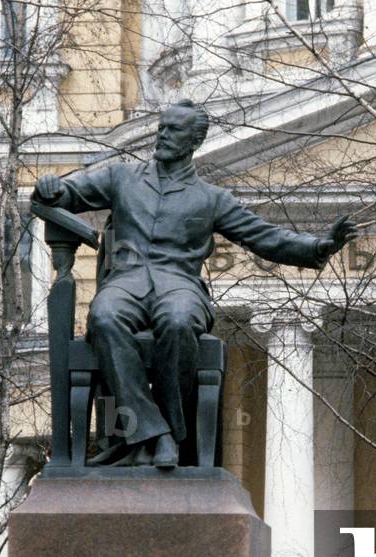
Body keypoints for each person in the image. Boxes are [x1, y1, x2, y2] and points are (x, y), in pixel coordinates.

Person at [33, 99, 357, 468]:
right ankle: (160, 434)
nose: (163, 135)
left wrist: (319, 246)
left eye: (174, 130)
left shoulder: (211, 198)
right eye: (161, 128)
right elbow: (68, 194)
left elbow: (263, 237)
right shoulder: (121, 177)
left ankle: (161, 430)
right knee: (105, 317)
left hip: (179, 285)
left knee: (178, 321)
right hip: (126, 283)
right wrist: (49, 188)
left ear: (195, 141)